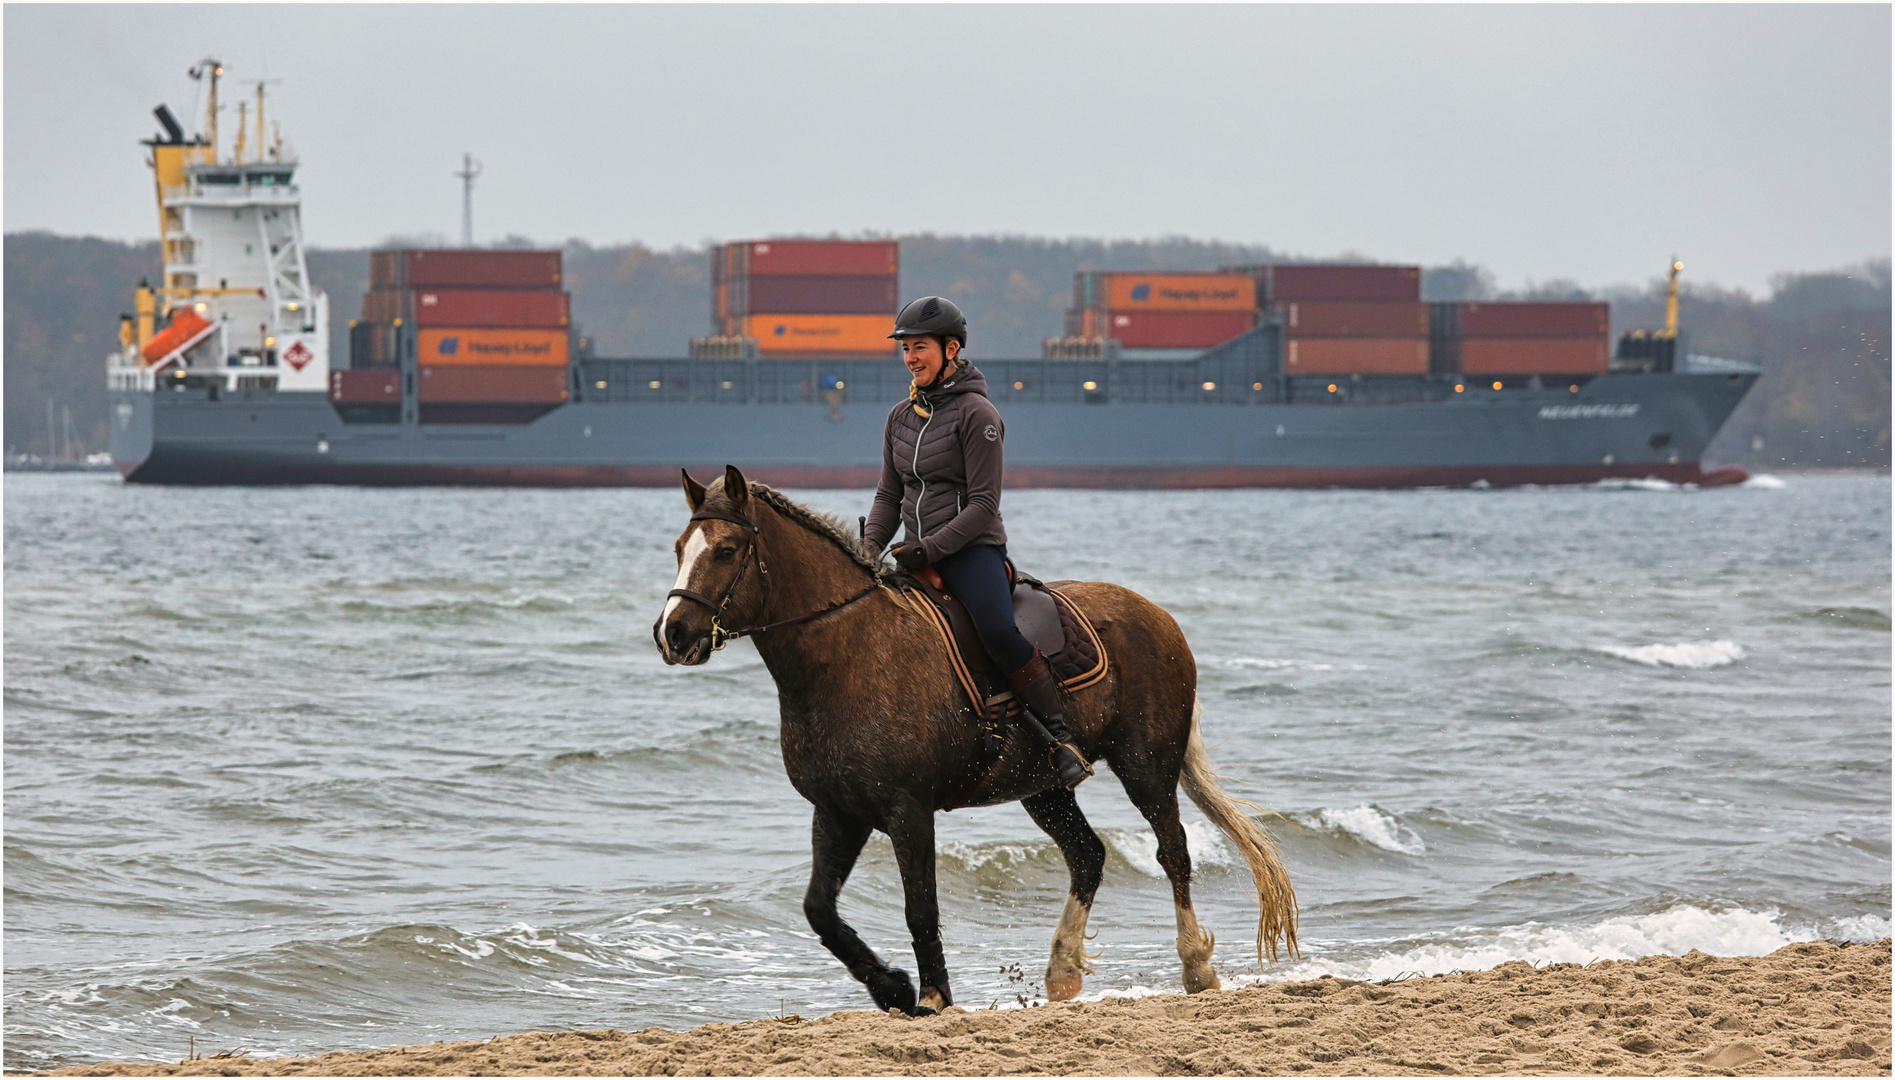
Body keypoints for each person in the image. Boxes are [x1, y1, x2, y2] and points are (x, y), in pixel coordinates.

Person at [863, 296, 1091, 790]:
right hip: (911, 551)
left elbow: (984, 505)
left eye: (919, 348)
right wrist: (866, 548)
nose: (910, 358)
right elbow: (888, 493)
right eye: (905, 349)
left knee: (996, 629)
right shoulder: (900, 417)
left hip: (972, 551)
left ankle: (1060, 736)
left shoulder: (978, 414)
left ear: (951, 349)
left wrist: (930, 549)